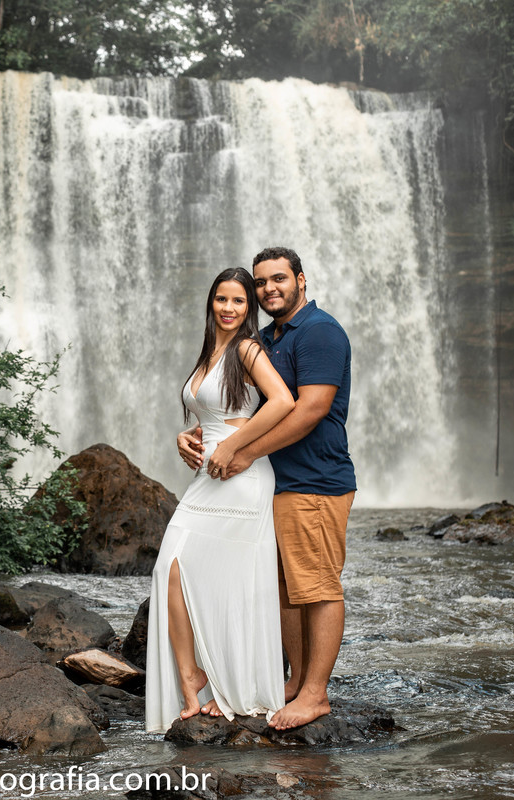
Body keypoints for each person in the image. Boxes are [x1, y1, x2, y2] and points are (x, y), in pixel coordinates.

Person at [182, 247, 356, 732]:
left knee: (317, 586)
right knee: (283, 588)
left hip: (315, 482)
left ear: (301, 279)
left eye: (278, 279)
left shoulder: (319, 331)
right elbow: (235, 407)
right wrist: (195, 433)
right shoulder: (269, 337)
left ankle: (315, 694)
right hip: (275, 485)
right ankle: (297, 681)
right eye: (261, 283)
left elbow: (309, 409)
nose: (268, 289)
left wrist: (246, 452)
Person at [145, 267, 296, 733]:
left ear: (248, 308)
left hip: (241, 476)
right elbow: (208, 412)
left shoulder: (248, 348)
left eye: (239, 302)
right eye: (221, 300)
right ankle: (194, 673)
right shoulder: (210, 352)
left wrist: (234, 446)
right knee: (170, 566)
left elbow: (282, 401)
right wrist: (183, 436)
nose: (229, 309)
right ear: (211, 303)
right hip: (208, 478)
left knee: (231, 580)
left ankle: (233, 685)